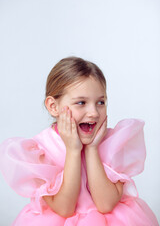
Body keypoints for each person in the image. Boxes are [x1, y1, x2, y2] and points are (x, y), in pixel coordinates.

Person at [0, 56, 158, 226]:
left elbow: (106, 205)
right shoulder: (41, 151)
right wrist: (73, 150)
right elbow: (65, 208)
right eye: (81, 102)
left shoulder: (113, 143)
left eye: (100, 102)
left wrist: (92, 149)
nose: (94, 113)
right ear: (53, 107)